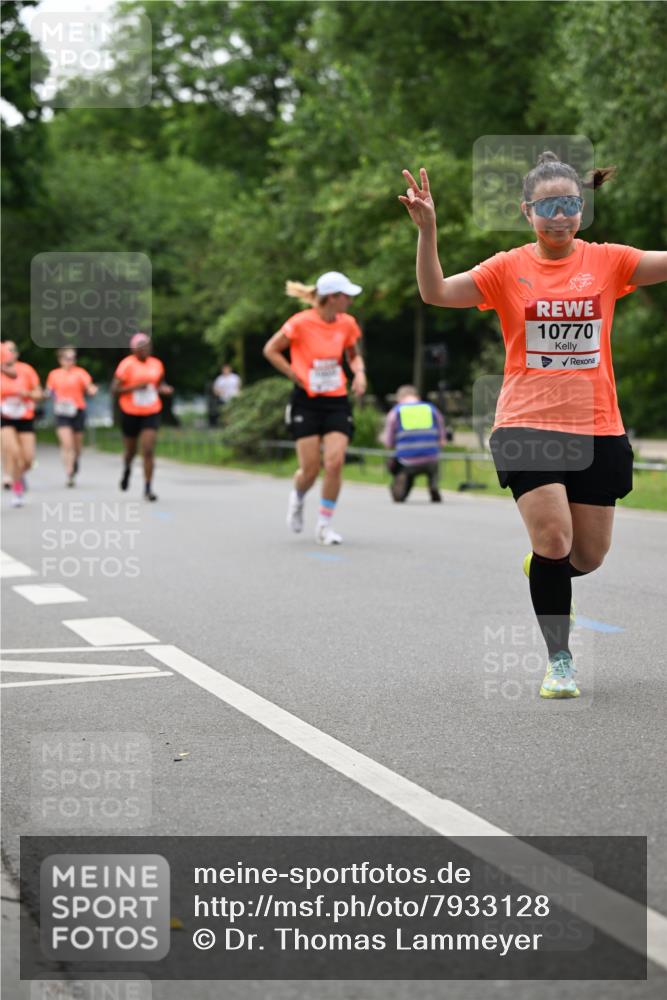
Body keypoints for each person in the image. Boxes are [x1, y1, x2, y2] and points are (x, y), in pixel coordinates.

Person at [400, 153, 666, 699]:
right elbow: (437, 293)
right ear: (528, 211)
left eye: (570, 205)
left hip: (597, 425)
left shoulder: (609, 261)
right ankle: (560, 660)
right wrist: (428, 232)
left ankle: (544, 568)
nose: (560, 217)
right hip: (527, 422)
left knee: (587, 557)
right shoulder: (506, 268)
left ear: (582, 208)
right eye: (548, 207)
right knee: (554, 538)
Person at [263, 271, 366, 545]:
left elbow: (353, 355)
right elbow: (270, 349)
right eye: (347, 296)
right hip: (306, 401)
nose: (351, 301)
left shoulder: (347, 324)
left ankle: (324, 524)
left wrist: (360, 373)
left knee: (335, 462)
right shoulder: (300, 323)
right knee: (309, 469)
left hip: (336, 400)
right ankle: (297, 499)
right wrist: (293, 374)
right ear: (332, 298)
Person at [111, 333, 173, 502]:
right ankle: (127, 468)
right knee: (130, 451)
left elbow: (159, 384)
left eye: (147, 346)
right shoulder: (126, 365)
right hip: (130, 411)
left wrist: (164, 389)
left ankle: (148, 488)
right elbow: (114, 390)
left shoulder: (157, 364)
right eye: (141, 346)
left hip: (151, 410)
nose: (145, 349)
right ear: (134, 349)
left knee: (148, 449)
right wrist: (135, 387)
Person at [382, 385, 446, 502]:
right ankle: (433, 484)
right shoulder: (431, 409)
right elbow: (442, 437)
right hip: (431, 458)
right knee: (434, 465)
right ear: (417, 397)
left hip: (406, 460)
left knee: (395, 463)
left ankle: (401, 482)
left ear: (399, 398)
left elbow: (388, 443)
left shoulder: (396, 412)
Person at [46, 348, 98, 487]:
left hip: (77, 411)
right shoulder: (54, 374)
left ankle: (75, 461)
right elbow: (50, 391)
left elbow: (89, 386)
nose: (71, 361)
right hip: (62, 412)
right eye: (68, 358)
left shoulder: (80, 373)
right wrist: (52, 396)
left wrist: (92, 390)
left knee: (77, 446)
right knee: (67, 444)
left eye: (73, 358)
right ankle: (69, 473)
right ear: (61, 360)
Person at [0, 341, 42, 506]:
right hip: (5, 417)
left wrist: (29, 394)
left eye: (12, 350)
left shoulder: (26, 370)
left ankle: (17, 475)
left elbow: (39, 393)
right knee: (14, 452)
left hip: (25, 417)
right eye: (6, 350)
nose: (9, 353)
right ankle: (17, 489)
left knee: (28, 459)